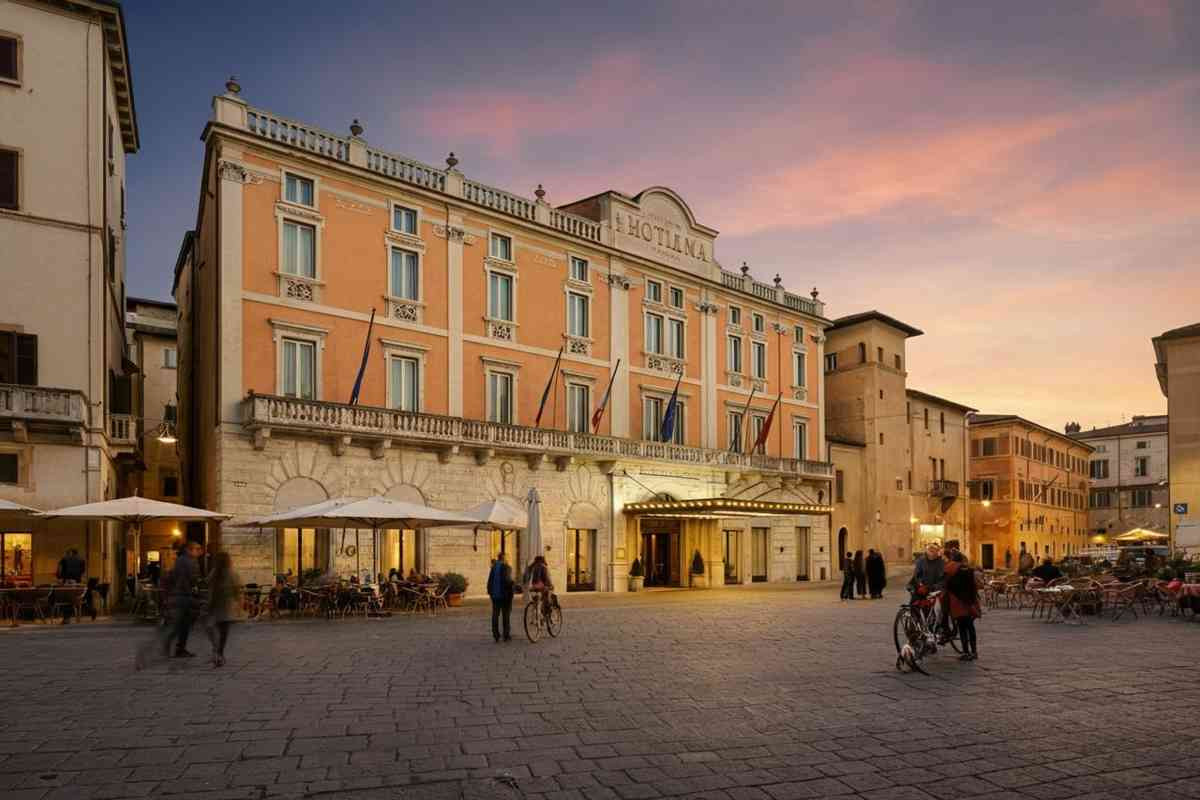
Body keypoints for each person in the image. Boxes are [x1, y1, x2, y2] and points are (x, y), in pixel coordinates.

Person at [166, 540, 203, 658]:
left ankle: (178, 647)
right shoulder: (186, 561)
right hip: (183, 596)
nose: (199, 552)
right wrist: (193, 588)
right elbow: (188, 578)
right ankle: (173, 646)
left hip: (183, 595)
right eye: (196, 549)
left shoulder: (184, 560)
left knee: (182, 624)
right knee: (182, 623)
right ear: (189, 550)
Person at [204, 551, 242, 667]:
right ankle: (219, 652)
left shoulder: (214, 572)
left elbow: (207, 584)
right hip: (226, 605)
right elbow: (237, 591)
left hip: (214, 604)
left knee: (211, 628)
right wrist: (239, 605)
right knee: (223, 631)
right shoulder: (232, 573)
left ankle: (216, 650)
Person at [944, 556, 980, 660]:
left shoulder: (952, 571)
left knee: (962, 628)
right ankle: (974, 652)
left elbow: (948, 586)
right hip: (970, 602)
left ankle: (966, 652)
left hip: (959, 603)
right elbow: (974, 586)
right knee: (970, 627)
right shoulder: (969, 570)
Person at [487, 552, 515, 642]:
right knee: (505, 615)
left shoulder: (493, 567)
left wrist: (490, 592)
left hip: (495, 595)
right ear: (504, 558)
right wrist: (514, 585)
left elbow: (489, 581)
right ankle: (506, 635)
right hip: (505, 595)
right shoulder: (506, 567)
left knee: (495, 614)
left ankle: (496, 635)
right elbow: (508, 581)